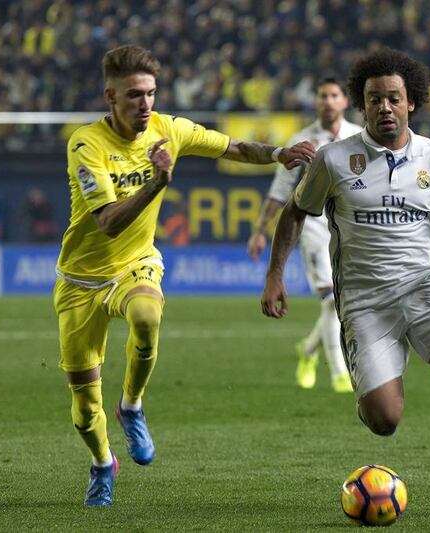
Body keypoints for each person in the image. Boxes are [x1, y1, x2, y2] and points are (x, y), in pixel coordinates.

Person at [261, 49, 430, 519]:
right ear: (362, 106)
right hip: (364, 301)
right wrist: (275, 275)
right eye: (375, 99)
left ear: (412, 104)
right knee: (384, 421)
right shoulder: (334, 159)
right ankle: (373, 389)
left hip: (425, 284)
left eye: (394, 99)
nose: (385, 107)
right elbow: (295, 212)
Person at [54, 44, 314, 507]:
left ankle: (131, 405)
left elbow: (232, 147)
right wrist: (156, 183)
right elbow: (110, 221)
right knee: (83, 405)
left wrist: (278, 152)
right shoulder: (85, 144)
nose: (145, 104)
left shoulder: (168, 129)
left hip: (134, 265)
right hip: (79, 281)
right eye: (134, 95)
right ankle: (101, 463)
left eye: (151, 93)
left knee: (147, 317)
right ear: (110, 96)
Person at [248, 78, 362, 393]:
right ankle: (341, 373)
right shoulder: (303, 139)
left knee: (340, 302)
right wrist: (261, 230)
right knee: (330, 298)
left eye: (334, 95)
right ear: (316, 102)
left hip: (349, 227)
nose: (328, 100)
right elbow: (281, 190)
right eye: (322, 95)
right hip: (313, 227)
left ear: (344, 101)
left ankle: (308, 350)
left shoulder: (358, 137)